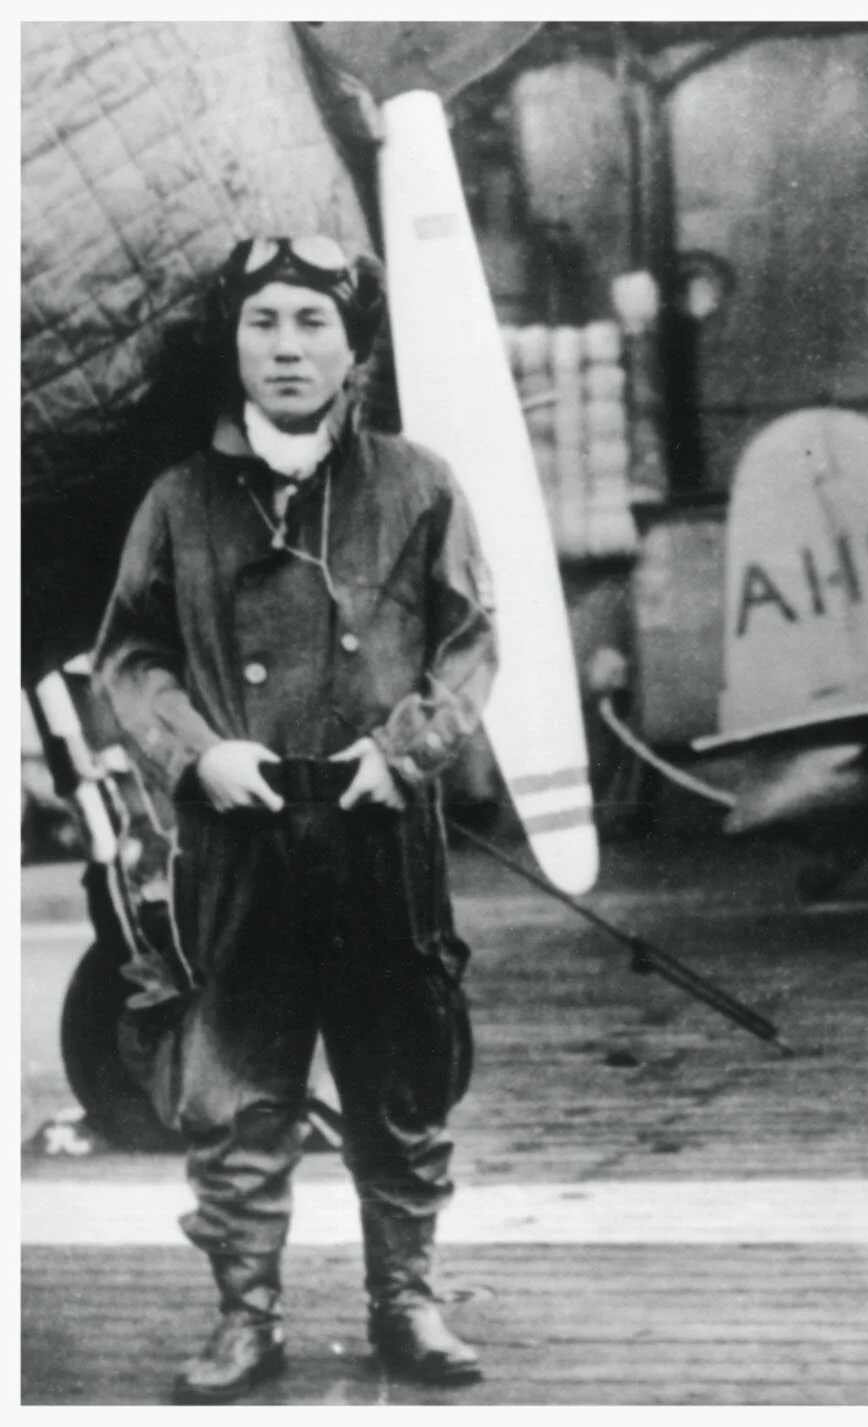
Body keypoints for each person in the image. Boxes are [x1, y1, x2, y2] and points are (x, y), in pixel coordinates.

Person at [93, 235, 498, 1404]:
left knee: (400, 1075)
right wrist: (199, 752)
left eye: (313, 322)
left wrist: (403, 752)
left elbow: (470, 641)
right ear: (231, 344)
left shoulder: (417, 485)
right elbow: (130, 656)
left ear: (353, 345)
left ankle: (405, 1300)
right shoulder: (177, 502)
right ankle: (245, 1315)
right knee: (233, 1090)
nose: (286, 346)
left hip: (379, 831)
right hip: (239, 839)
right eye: (262, 320)